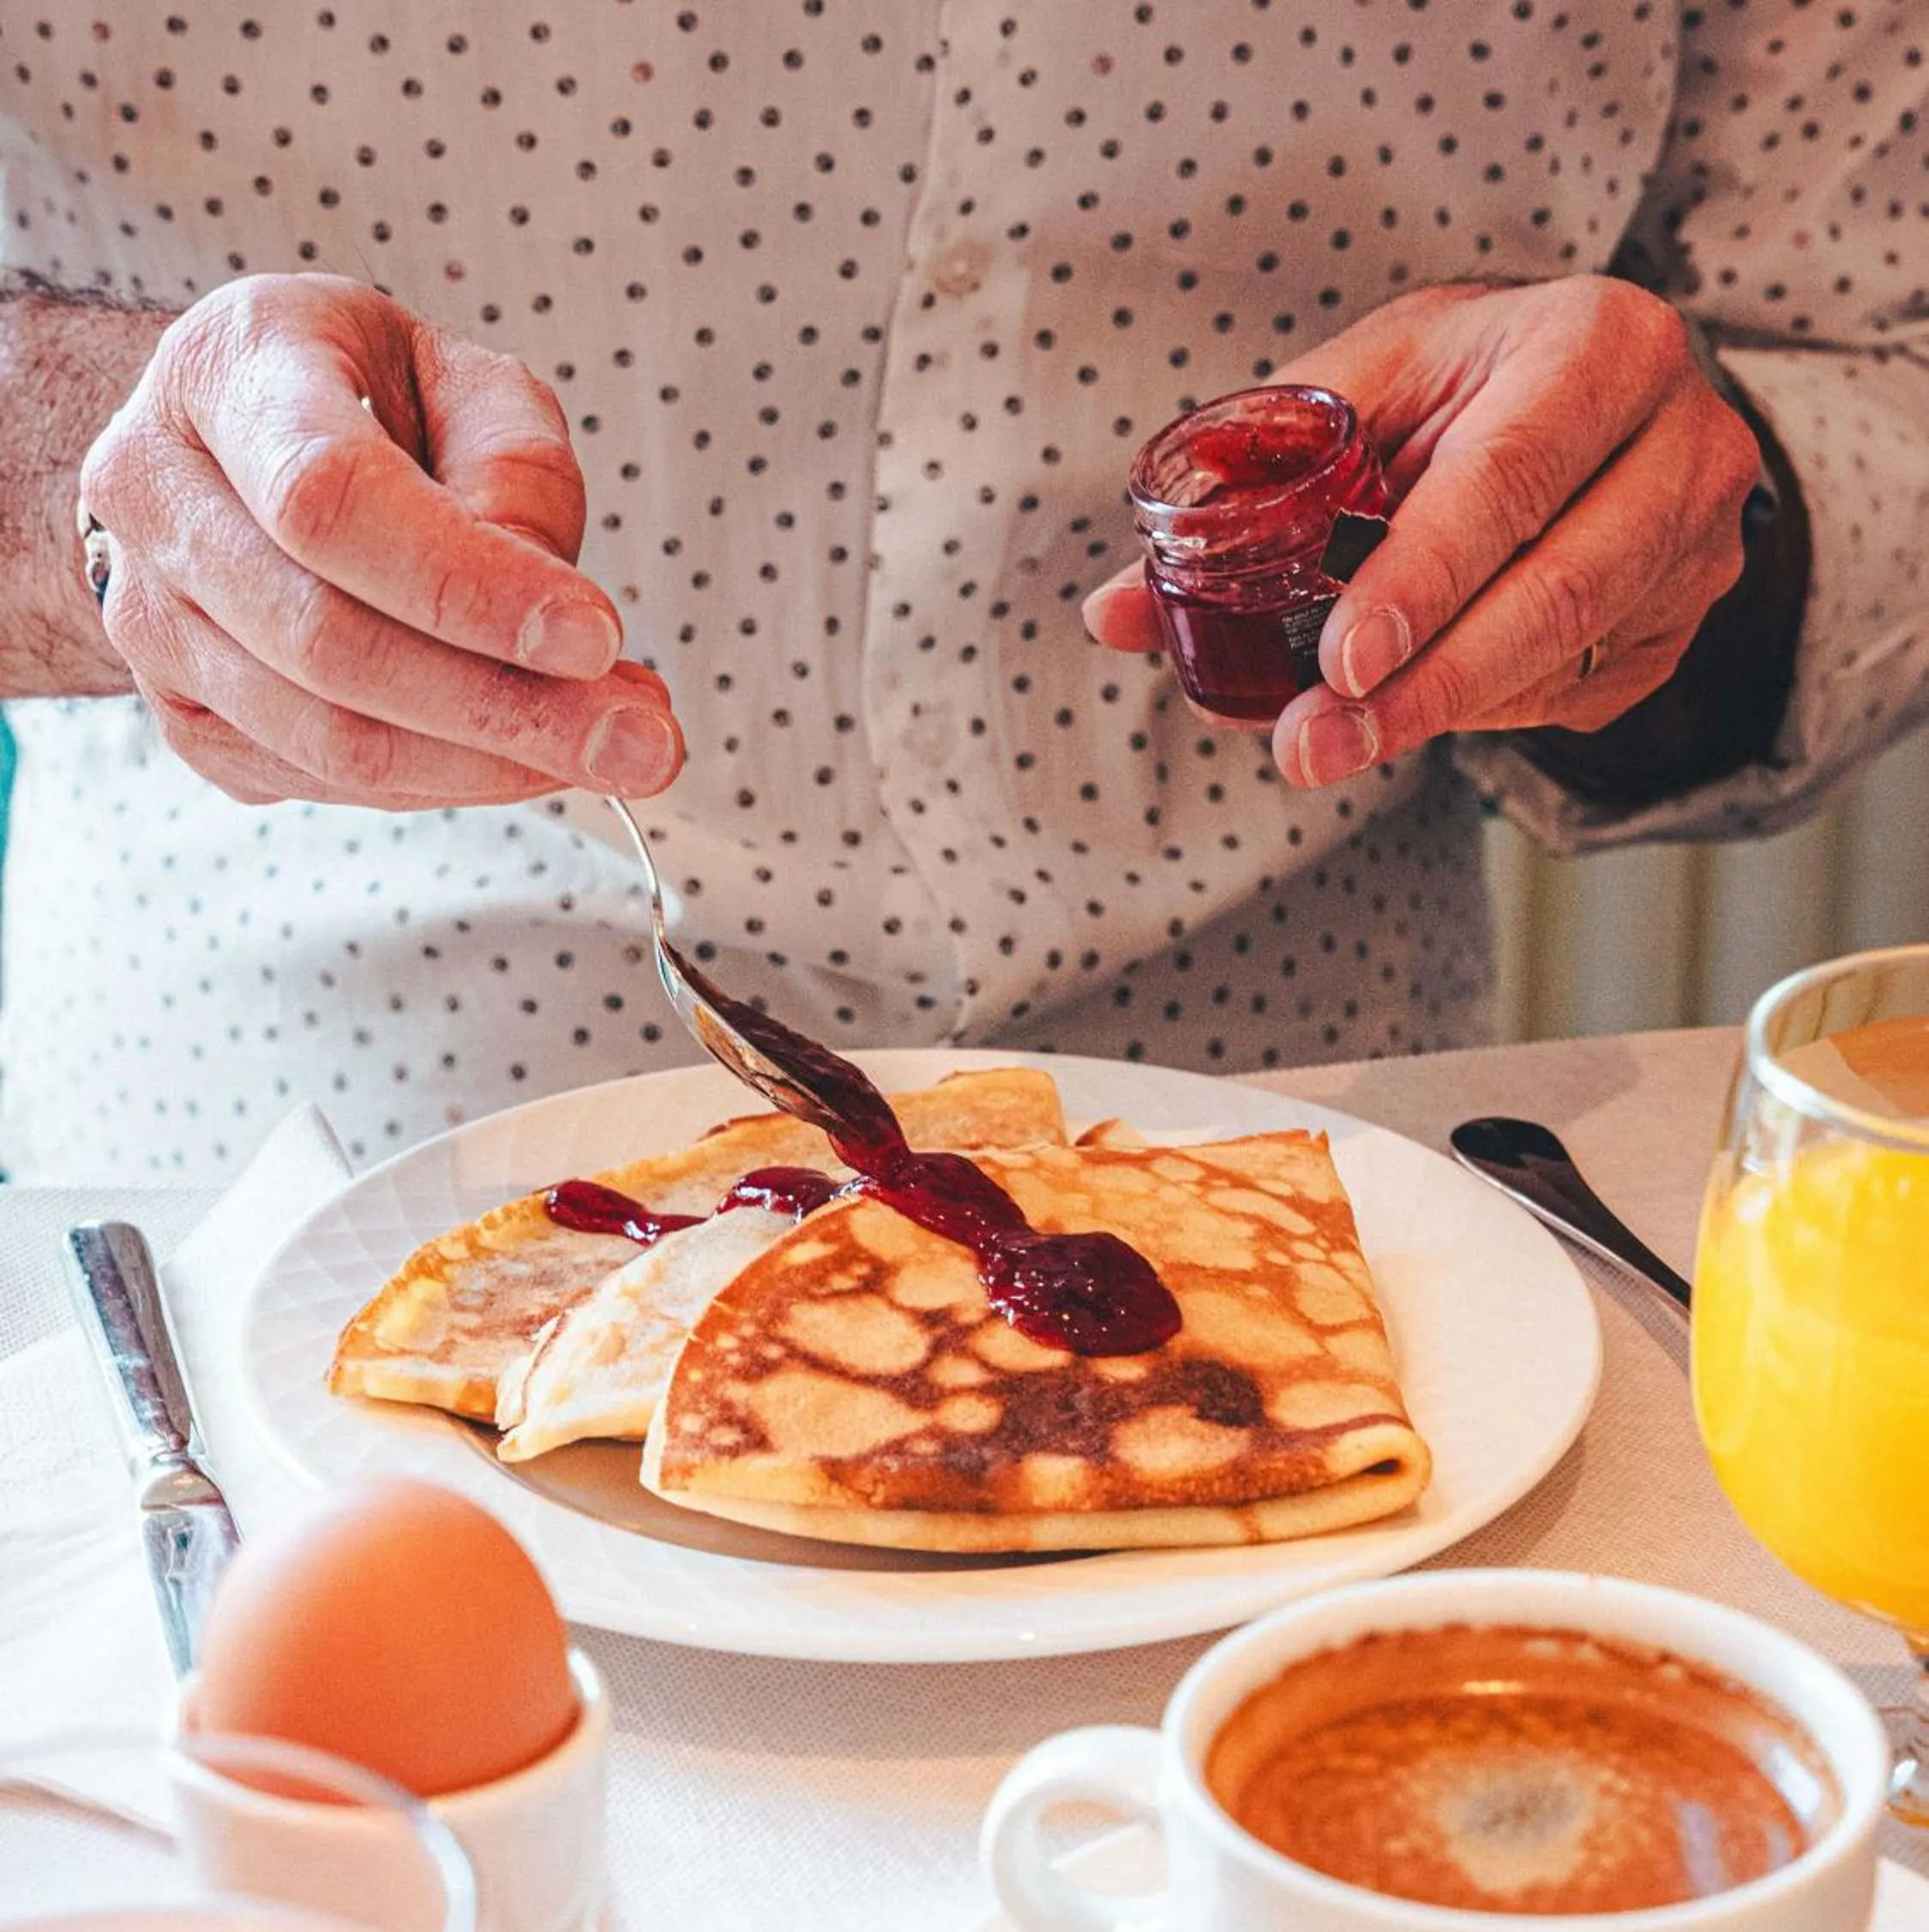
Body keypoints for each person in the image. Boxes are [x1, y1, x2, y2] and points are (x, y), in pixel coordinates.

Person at [0, 5, 1920, 1182]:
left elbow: (1868, 361)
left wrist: (1673, 537)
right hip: (282, 1166)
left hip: (1360, 1175)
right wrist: (105, 479)